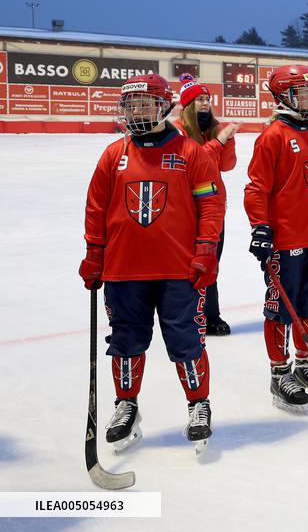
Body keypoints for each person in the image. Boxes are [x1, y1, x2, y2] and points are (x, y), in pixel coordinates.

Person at [79, 73, 223, 452]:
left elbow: (210, 204)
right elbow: (96, 208)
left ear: (164, 106)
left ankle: (198, 404)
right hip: (124, 270)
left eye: (145, 103)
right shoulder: (114, 154)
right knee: (126, 341)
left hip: (178, 270)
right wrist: (95, 252)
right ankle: (126, 405)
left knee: (187, 340)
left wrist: (206, 248)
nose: (137, 111)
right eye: (131, 105)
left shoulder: (190, 152)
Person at [245, 65, 308, 413]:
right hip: (286, 240)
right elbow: (256, 188)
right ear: (285, 96)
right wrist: (260, 227)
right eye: (304, 92)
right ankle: (279, 371)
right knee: (282, 306)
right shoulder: (273, 136)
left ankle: (304, 361)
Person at [174, 73, 239, 336]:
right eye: (199, 99)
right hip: (186, 209)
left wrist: (228, 140)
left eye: (207, 99)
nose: (204, 104)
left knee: (211, 262)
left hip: (213, 208)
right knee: (189, 264)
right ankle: (188, 315)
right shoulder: (177, 130)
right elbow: (196, 160)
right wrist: (220, 140)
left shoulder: (213, 128)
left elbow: (227, 165)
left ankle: (211, 315)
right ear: (188, 104)